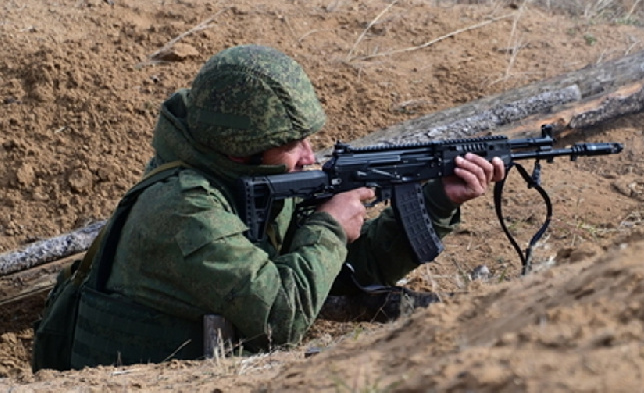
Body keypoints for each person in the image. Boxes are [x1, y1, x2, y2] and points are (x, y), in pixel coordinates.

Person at [57, 44, 505, 369]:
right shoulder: (184, 210)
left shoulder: (251, 183)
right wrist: (329, 226)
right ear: (241, 150)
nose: (310, 156)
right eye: (292, 144)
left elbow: (345, 274)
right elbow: (279, 316)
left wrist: (438, 200)